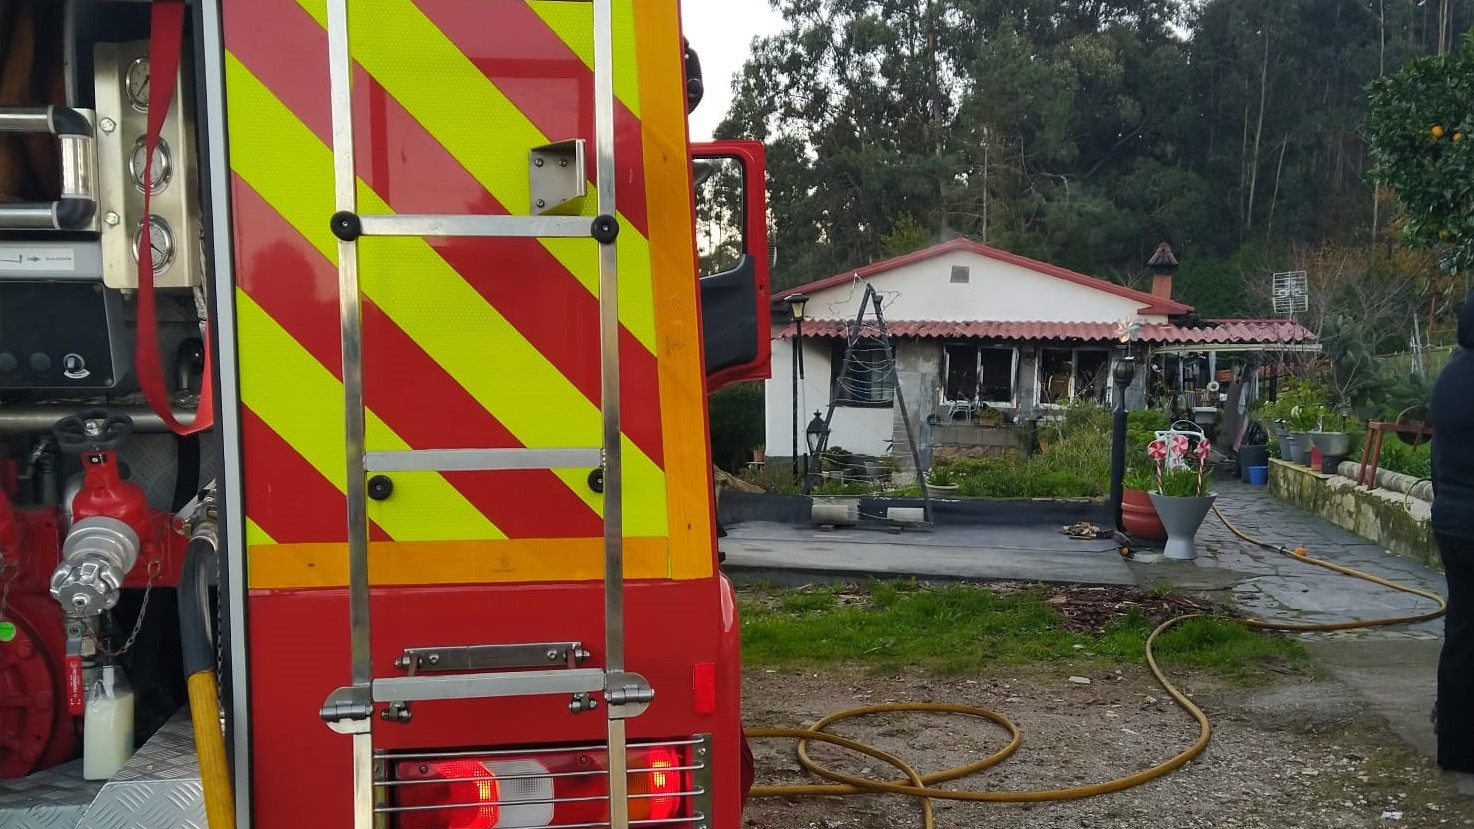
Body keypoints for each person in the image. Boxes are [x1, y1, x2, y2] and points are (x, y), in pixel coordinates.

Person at [1429, 292, 1474, 774]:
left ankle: (1457, 748)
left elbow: (1439, 461)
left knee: (1462, 628)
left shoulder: (1451, 376)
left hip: (1453, 520)